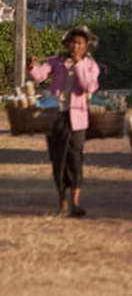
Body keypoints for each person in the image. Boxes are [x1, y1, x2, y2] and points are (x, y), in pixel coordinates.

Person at [27, 25, 101, 217]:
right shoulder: (57, 62)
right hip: (56, 116)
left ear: (85, 46)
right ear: (68, 44)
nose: (75, 47)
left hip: (77, 118)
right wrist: (32, 67)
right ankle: (62, 203)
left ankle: (75, 201)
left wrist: (78, 65)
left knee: (75, 159)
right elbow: (39, 75)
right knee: (58, 159)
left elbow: (88, 87)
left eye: (79, 44)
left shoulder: (90, 65)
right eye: (73, 43)